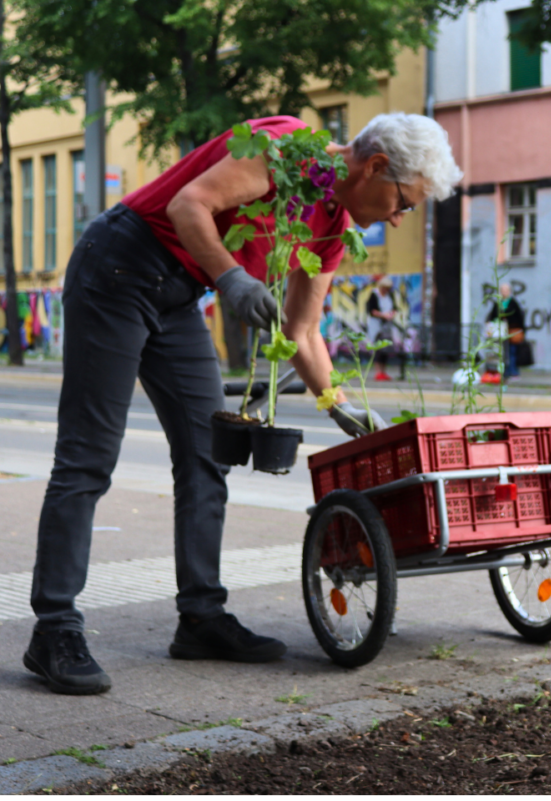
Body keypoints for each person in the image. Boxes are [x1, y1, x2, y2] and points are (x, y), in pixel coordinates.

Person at [24, 112, 461, 695]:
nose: (403, 217)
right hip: (120, 266)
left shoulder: (331, 224)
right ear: (375, 166)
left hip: (177, 295)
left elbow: (304, 330)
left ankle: (201, 618)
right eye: (405, 201)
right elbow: (189, 205)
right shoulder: (287, 150)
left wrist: (340, 405)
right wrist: (231, 278)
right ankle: (54, 628)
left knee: (212, 449)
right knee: (89, 455)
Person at [366, 276, 405, 381]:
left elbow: (395, 308)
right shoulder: (374, 295)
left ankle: (384, 372)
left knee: (386, 349)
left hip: (387, 327)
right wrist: (383, 315)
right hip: (376, 326)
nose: (386, 290)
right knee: (378, 349)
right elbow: (371, 310)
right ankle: (378, 372)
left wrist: (392, 314)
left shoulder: (390, 296)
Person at [486, 282, 526, 379]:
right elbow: (492, 316)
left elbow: (519, 317)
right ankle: (503, 372)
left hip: (512, 331)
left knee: (512, 353)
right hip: (500, 332)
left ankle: (513, 372)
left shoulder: (513, 303)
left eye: (506, 290)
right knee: (502, 353)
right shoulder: (497, 303)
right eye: (502, 290)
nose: (504, 292)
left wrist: (521, 330)